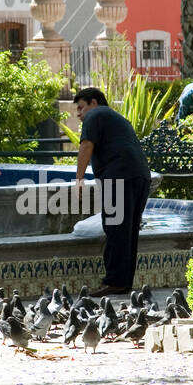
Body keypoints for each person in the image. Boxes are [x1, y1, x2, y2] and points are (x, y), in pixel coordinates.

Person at [73, 87, 151, 297]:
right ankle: (123, 282)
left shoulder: (95, 115)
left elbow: (86, 145)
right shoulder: (117, 118)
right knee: (129, 231)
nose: (79, 114)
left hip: (119, 176)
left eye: (81, 108)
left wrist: (79, 179)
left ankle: (114, 281)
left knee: (116, 228)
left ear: (94, 103)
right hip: (141, 176)